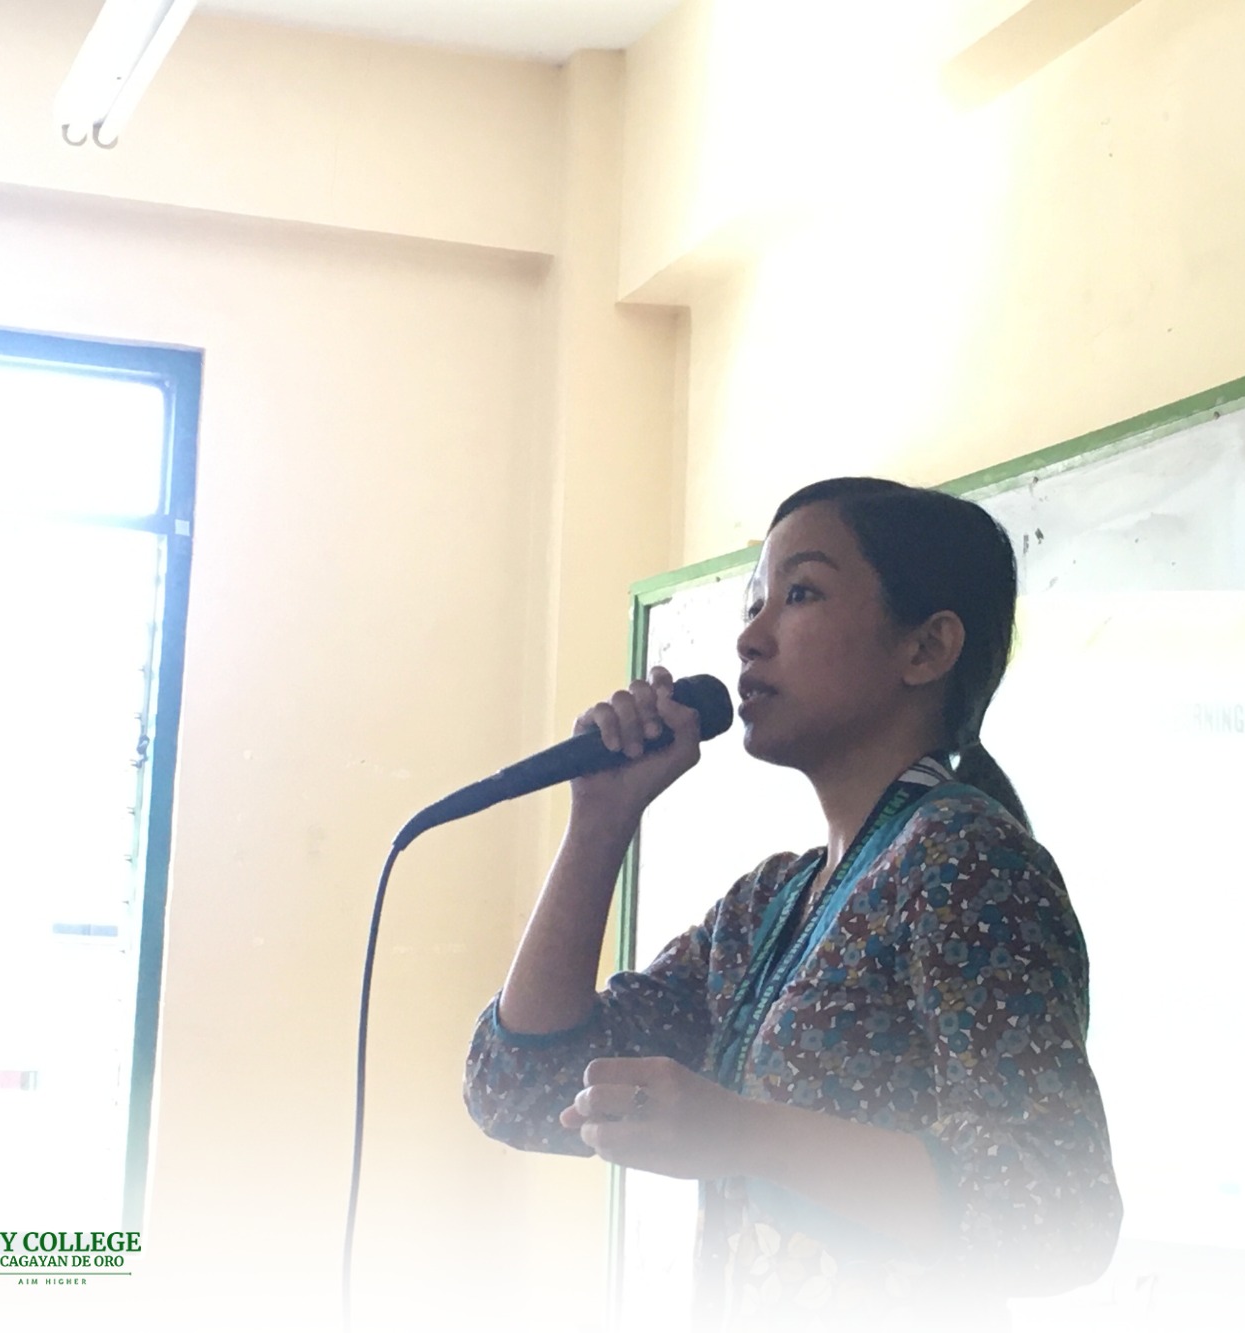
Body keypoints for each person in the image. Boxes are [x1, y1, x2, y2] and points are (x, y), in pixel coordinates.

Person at [463, 477, 1121, 1329]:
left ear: (926, 649)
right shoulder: (768, 904)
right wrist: (601, 819)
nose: (749, 636)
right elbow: (521, 1082)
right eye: (754, 601)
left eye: (800, 593)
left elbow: (1060, 1210)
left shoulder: (966, 862)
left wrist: (741, 1131)